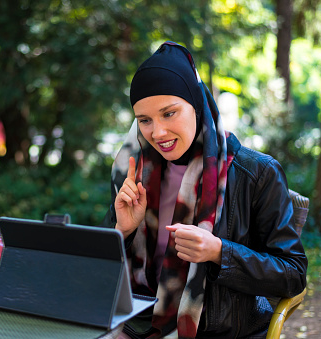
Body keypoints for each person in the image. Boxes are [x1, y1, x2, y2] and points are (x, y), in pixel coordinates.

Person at [101, 41, 308, 338]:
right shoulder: (135, 175)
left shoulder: (257, 173)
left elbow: (292, 274)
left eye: (169, 113)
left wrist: (219, 252)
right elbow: (95, 272)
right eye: (144, 120)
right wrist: (123, 231)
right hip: (137, 325)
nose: (157, 132)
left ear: (197, 104)